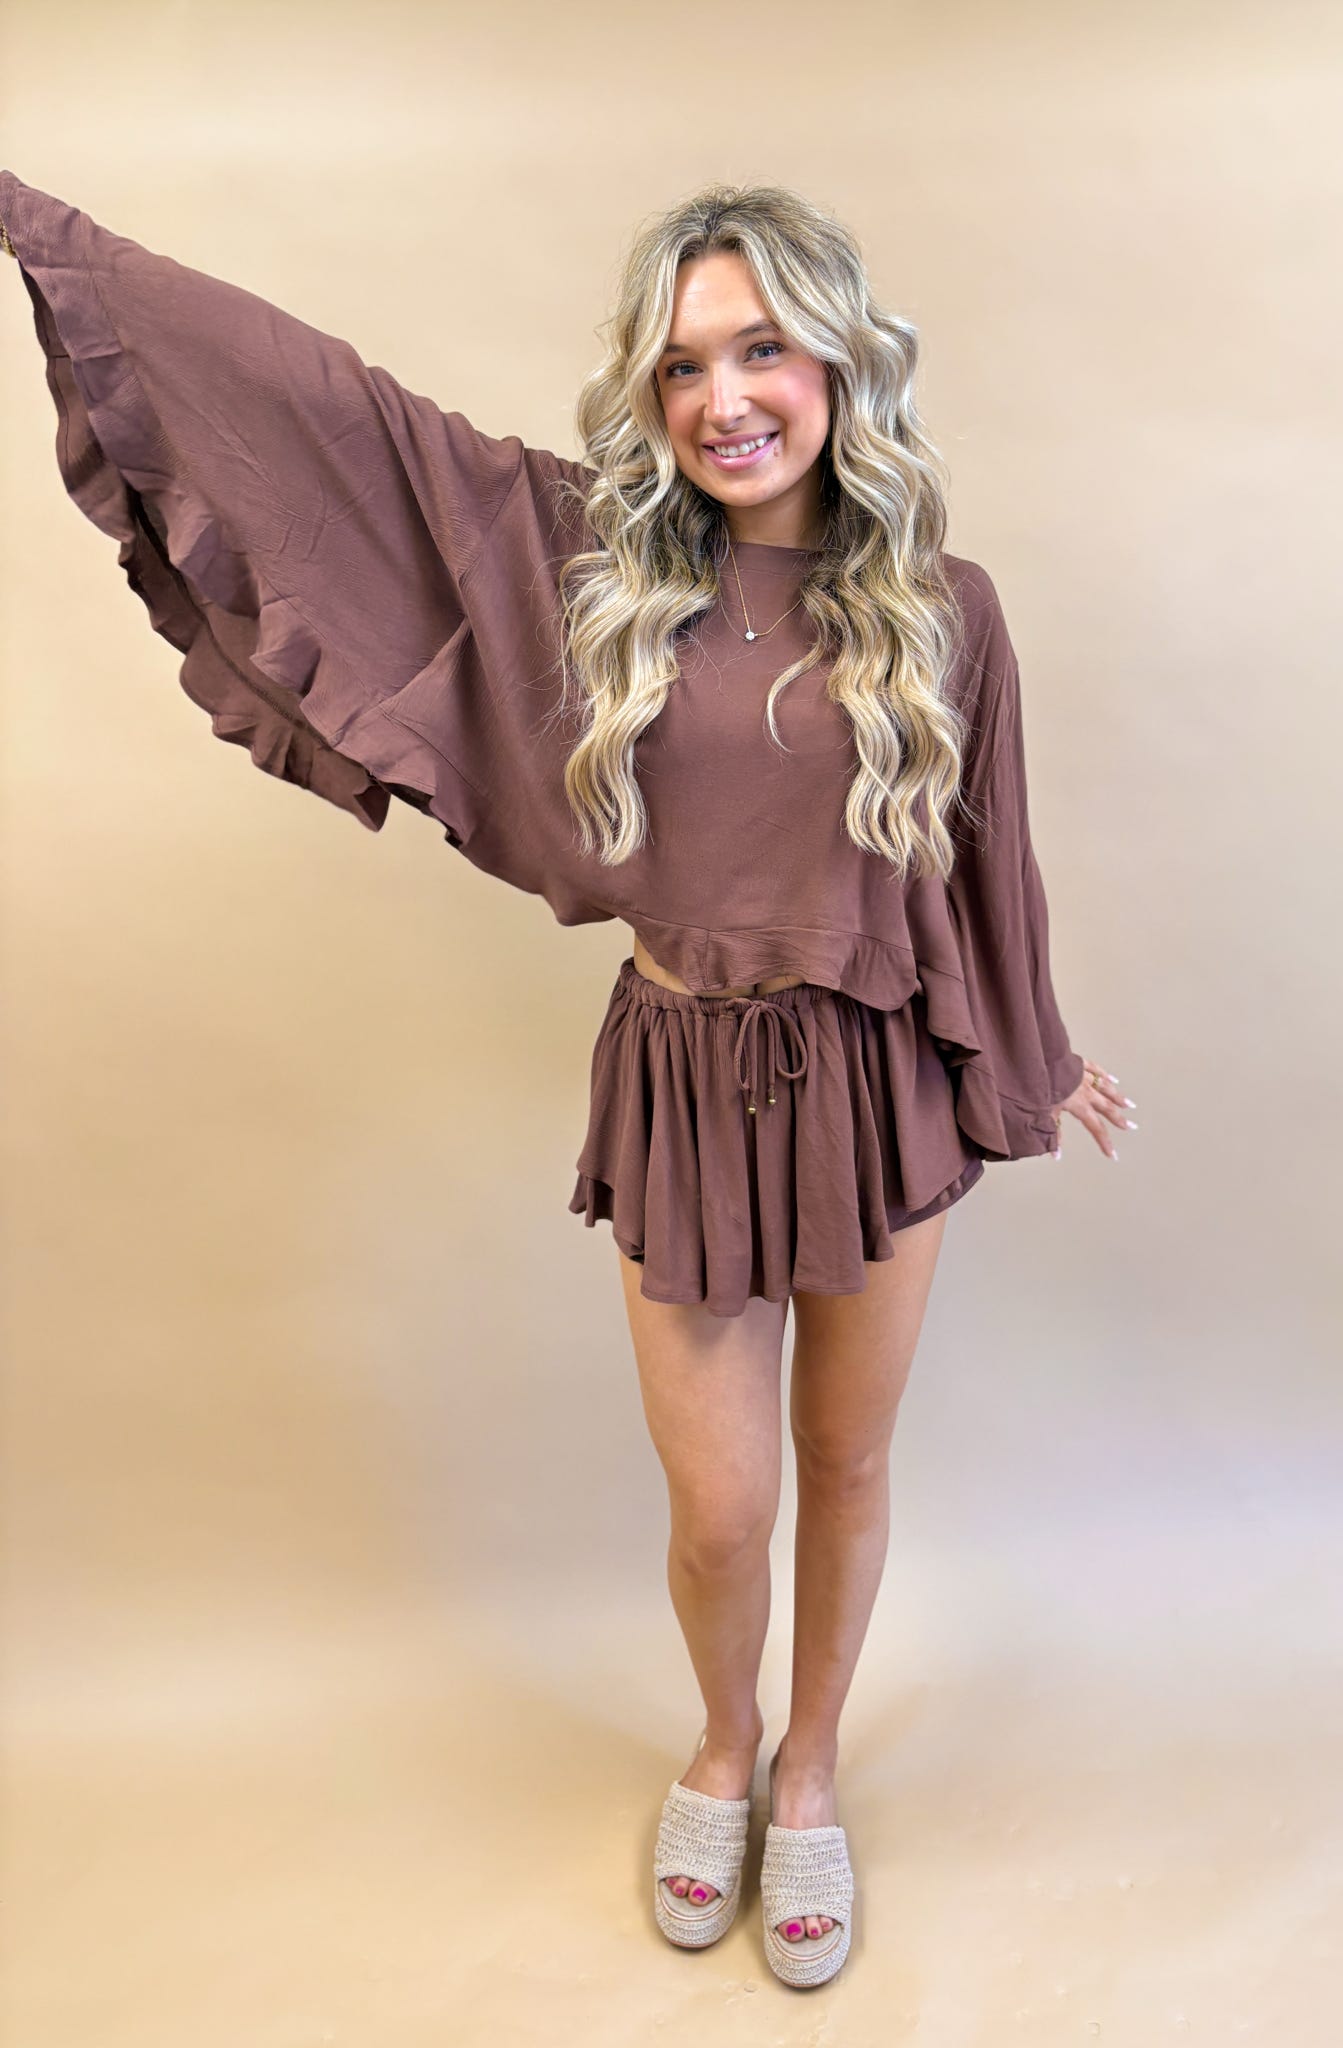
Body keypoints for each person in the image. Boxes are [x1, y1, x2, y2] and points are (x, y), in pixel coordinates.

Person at [0, 170, 1136, 1988]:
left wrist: (1036, 1048)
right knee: (722, 1510)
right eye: (683, 365)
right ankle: (723, 1746)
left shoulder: (946, 605)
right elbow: (335, 420)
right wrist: (46, 233)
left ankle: (812, 1769)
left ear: (842, 362)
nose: (723, 399)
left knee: (845, 1462)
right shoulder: (589, 559)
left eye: (762, 350)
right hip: (685, 1076)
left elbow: (983, 849)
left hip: (877, 1085)